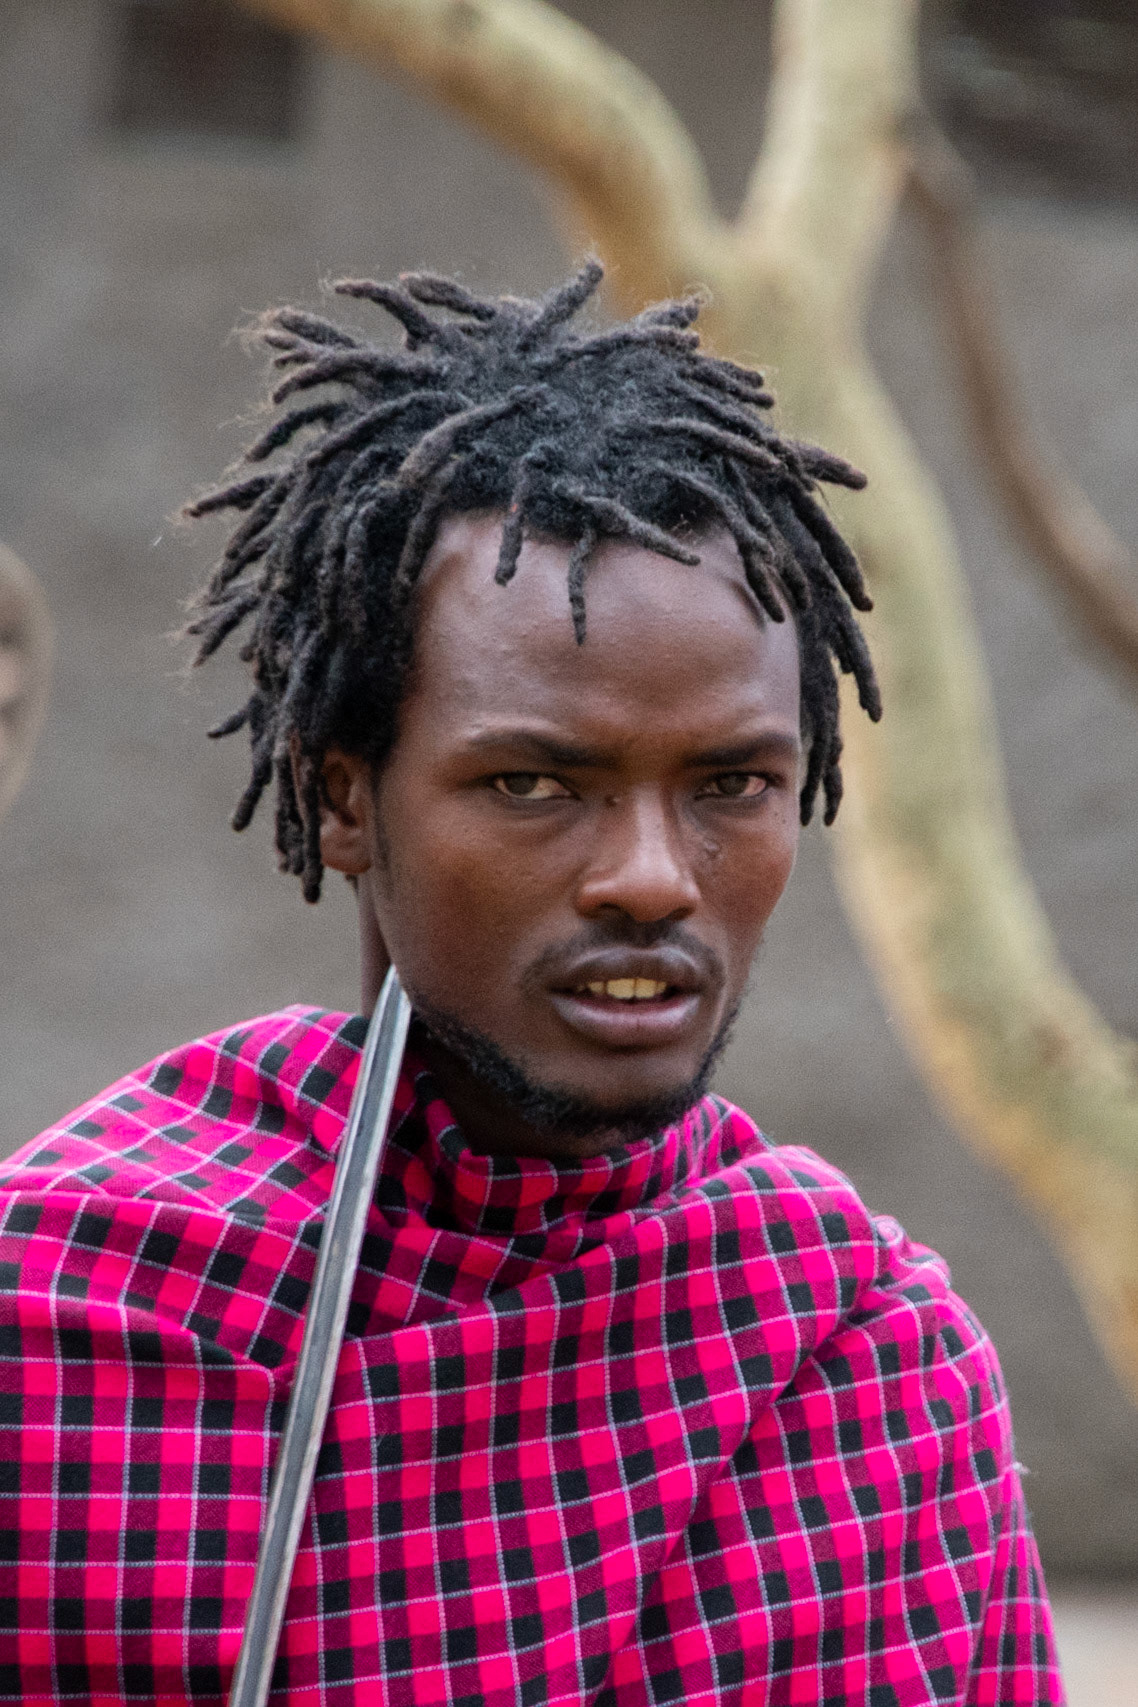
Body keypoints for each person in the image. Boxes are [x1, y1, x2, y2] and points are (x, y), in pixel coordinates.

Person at [0, 263, 1062, 1706]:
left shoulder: (867, 1357)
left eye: (731, 785)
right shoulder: (61, 1328)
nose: (650, 877)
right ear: (343, 801)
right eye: (530, 782)